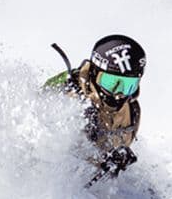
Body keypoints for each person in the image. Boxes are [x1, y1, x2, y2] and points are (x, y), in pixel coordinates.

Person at [45, 34, 146, 183]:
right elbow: (50, 160)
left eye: (128, 85)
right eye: (111, 83)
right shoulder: (68, 101)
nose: (119, 94)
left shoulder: (131, 111)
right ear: (95, 73)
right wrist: (99, 160)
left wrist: (117, 158)